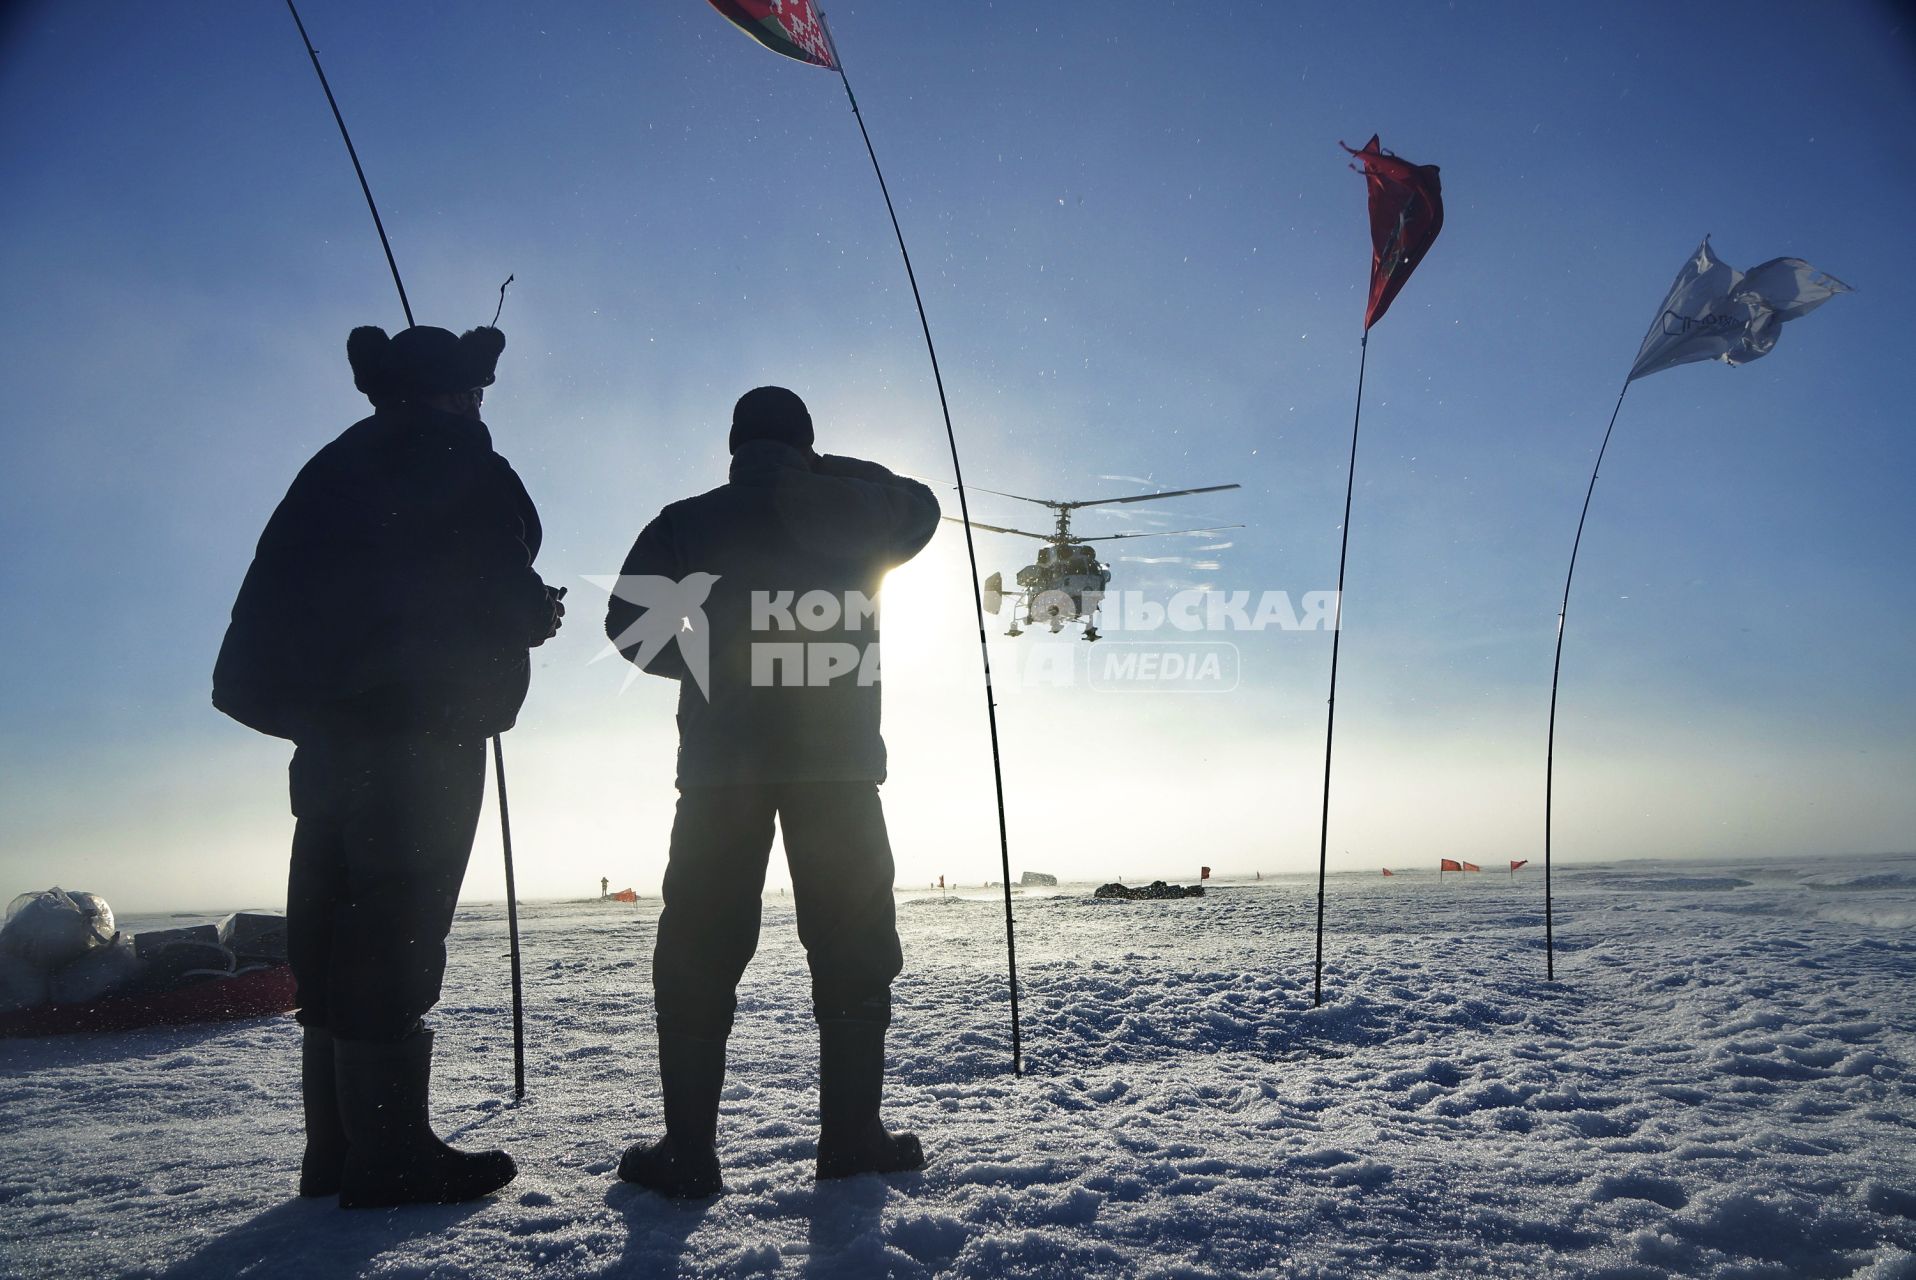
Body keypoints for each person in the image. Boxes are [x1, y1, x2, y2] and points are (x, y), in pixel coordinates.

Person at [212, 323, 562, 1208]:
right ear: (451, 392)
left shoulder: (331, 466)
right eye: (472, 390)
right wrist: (534, 611)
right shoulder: (459, 462)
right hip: (421, 734)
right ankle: (390, 1160)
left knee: (332, 925)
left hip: (329, 743)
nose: (479, 403)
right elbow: (491, 584)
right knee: (395, 926)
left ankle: (334, 1154)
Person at [605, 386, 939, 1197]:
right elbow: (921, 507)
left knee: (698, 951)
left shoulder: (687, 519)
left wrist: (713, 669)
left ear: (732, 445)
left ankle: (689, 1153)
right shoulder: (857, 511)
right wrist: (826, 470)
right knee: (854, 950)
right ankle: (853, 1139)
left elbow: (626, 623)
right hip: (839, 769)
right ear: (806, 444)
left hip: (724, 771)